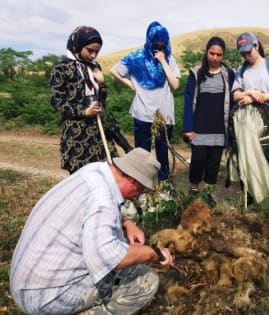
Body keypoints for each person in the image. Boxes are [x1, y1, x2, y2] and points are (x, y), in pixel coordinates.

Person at [10, 148, 174, 314]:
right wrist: (152, 253)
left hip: (25, 283)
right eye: (141, 190)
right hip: (45, 297)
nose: (137, 196)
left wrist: (126, 222)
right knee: (146, 281)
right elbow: (108, 258)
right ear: (134, 183)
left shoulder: (95, 171)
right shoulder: (103, 203)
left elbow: (88, 212)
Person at [111, 21, 181, 181]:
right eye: (156, 45)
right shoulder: (136, 58)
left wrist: (163, 61)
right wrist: (130, 83)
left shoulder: (170, 59)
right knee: (142, 154)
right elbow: (114, 70)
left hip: (164, 115)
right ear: (149, 42)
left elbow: (175, 85)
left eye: (163, 45)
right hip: (142, 114)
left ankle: (163, 186)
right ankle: (142, 185)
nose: (160, 48)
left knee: (163, 154)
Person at [50, 25, 118, 174]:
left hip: (99, 129)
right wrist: (83, 112)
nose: (93, 55)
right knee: (81, 177)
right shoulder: (61, 68)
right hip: (77, 132)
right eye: (90, 50)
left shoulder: (94, 67)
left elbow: (102, 98)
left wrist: (102, 83)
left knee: (107, 172)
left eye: (97, 51)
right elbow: (56, 101)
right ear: (78, 45)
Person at [231, 32, 269, 204]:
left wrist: (258, 97)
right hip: (244, 119)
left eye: (249, 51)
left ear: (256, 46)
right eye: (243, 53)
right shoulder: (242, 71)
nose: (247, 56)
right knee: (246, 157)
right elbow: (235, 95)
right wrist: (249, 93)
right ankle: (250, 199)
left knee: (265, 156)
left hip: (264, 118)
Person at [183, 36, 235, 198]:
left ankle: (208, 195)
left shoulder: (228, 74)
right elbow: (188, 100)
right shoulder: (196, 73)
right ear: (206, 52)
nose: (215, 58)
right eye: (212, 53)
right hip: (199, 129)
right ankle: (193, 189)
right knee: (198, 162)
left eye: (219, 55)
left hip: (219, 129)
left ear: (223, 55)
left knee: (213, 165)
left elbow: (233, 100)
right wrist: (188, 128)